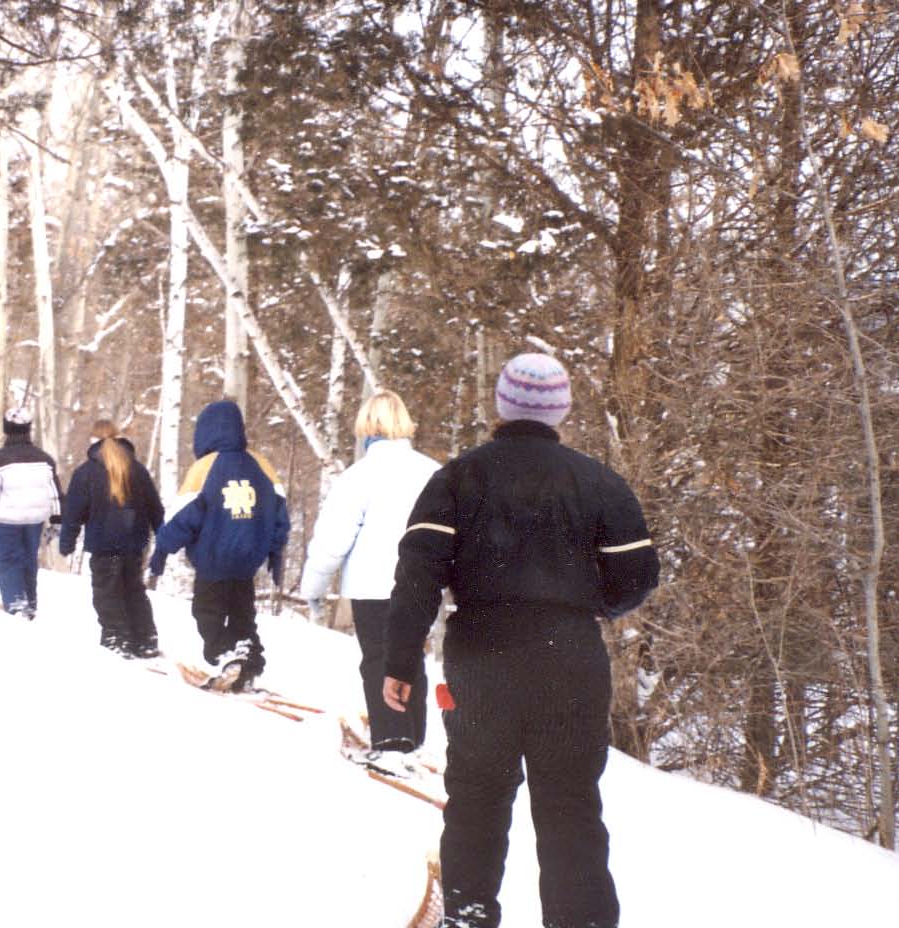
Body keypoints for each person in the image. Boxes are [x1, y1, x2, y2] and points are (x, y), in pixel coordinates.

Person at [382, 352, 659, 928]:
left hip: (481, 659)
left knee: (478, 799)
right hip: (571, 660)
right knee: (571, 805)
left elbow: (417, 577)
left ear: (500, 407)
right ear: (561, 411)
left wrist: (399, 664)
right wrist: (585, 607)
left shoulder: (458, 478)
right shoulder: (597, 481)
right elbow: (638, 576)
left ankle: (469, 914)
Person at [299, 389, 440, 768]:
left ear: (366, 428)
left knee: (379, 657)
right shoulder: (432, 472)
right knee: (411, 657)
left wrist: (312, 588)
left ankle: (393, 740)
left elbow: (332, 540)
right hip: (421, 585)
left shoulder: (357, 477)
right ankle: (414, 736)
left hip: (372, 586)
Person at [149, 398, 289, 691]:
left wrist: (162, 549)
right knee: (242, 614)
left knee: (207, 614)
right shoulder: (262, 465)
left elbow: (183, 517)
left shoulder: (204, 468)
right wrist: (275, 553)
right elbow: (279, 515)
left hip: (214, 560)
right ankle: (248, 662)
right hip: (247, 561)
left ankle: (228, 655)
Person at [57, 419, 165, 658]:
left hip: (103, 544)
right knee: (134, 590)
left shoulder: (86, 472)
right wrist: (163, 538)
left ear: (93, 441)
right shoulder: (137, 470)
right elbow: (155, 508)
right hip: (134, 542)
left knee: (107, 592)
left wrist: (67, 541)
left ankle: (117, 637)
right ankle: (145, 638)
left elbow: (74, 511)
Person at [0, 405, 63, 617]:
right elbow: (55, 494)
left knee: (7, 561)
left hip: (8, 520)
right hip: (35, 521)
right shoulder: (45, 459)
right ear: (28, 429)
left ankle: (16, 605)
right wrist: (57, 521)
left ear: (6, 429)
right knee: (28, 561)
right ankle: (29, 605)